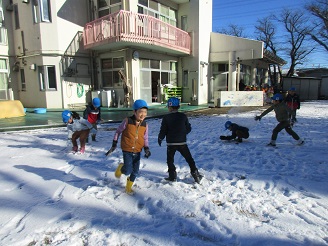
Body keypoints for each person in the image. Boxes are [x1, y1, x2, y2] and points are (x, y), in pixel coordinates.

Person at [105, 99, 151, 194]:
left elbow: (145, 137)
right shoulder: (127, 121)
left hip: (138, 150)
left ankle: (128, 187)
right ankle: (121, 167)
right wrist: (114, 143)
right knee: (127, 170)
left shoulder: (145, 125)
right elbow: (118, 131)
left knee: (135, 171)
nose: (143, 114)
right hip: (127, 149)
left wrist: (146, 148)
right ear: (134, 112)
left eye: (145, 112)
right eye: (140, 112)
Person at [158, 97, 203, 184]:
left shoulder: (166, 118)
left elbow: (163, 130)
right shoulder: (183, 116)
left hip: (171, 143)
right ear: (178, 107)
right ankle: (196, 175)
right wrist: (183, 133)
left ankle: (172, 176)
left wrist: (160, 138)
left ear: (170, 107)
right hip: (182, 142)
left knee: (170, 160)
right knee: (189, 159)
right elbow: (188, 128)